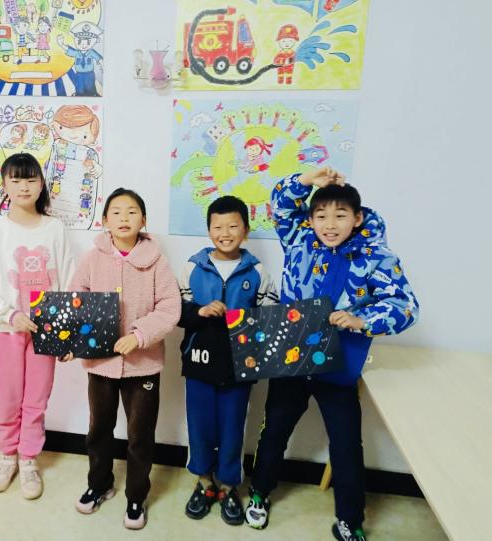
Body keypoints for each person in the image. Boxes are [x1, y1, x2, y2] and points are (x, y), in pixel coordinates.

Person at [245, 167, 419, 541]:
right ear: (310, 220)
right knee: (274, 430)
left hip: (339, 363)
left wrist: (361, 320)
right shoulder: (298, 240)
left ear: (357, 218)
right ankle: (259, 493)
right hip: (292, 356)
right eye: (321, 216)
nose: (329, 224)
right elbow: (280, 205)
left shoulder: (377, 257)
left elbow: (406, 306)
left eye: (340, 215)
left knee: (346, 443)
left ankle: (350, 520)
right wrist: (307, 181)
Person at [65, 188, 181, 529]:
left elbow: (170, 308)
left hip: (143, 366)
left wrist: (139, 335)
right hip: (100, 364)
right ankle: (99, 484)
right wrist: (70, 342)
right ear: (105, 221)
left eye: (132, 211)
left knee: (140, 435)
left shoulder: (157, 261)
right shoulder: (92, 259)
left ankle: (136, 497)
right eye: (116, 212)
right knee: (98, 429)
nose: (124, 218)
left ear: (144, 220)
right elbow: (75, 301)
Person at [0, 153, 75, 500]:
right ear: (4, 185)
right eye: (15, 180)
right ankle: (6, 457)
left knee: (36, 399)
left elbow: (68, 282)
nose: (23, 186)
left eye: (30, 179)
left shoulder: (55, 229)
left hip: (46, 331)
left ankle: (28, 460)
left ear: (41, 184)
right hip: (4, 330)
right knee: (5, 399)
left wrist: (65, 333)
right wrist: (10, 315)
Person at [177, 195, 279, 525]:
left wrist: (247, 320)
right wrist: (200, 311)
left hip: (240, 365)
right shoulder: (193, 267)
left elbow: (270, 316)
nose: (225, 233)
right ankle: (204, 483)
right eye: (218, 226)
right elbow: (175, 310)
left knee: (233, 427)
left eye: (233, 226)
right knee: (200, 426)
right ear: (208, 230)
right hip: (199, 363)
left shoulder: (257, 271)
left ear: (246, 231)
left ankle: (229, 486)